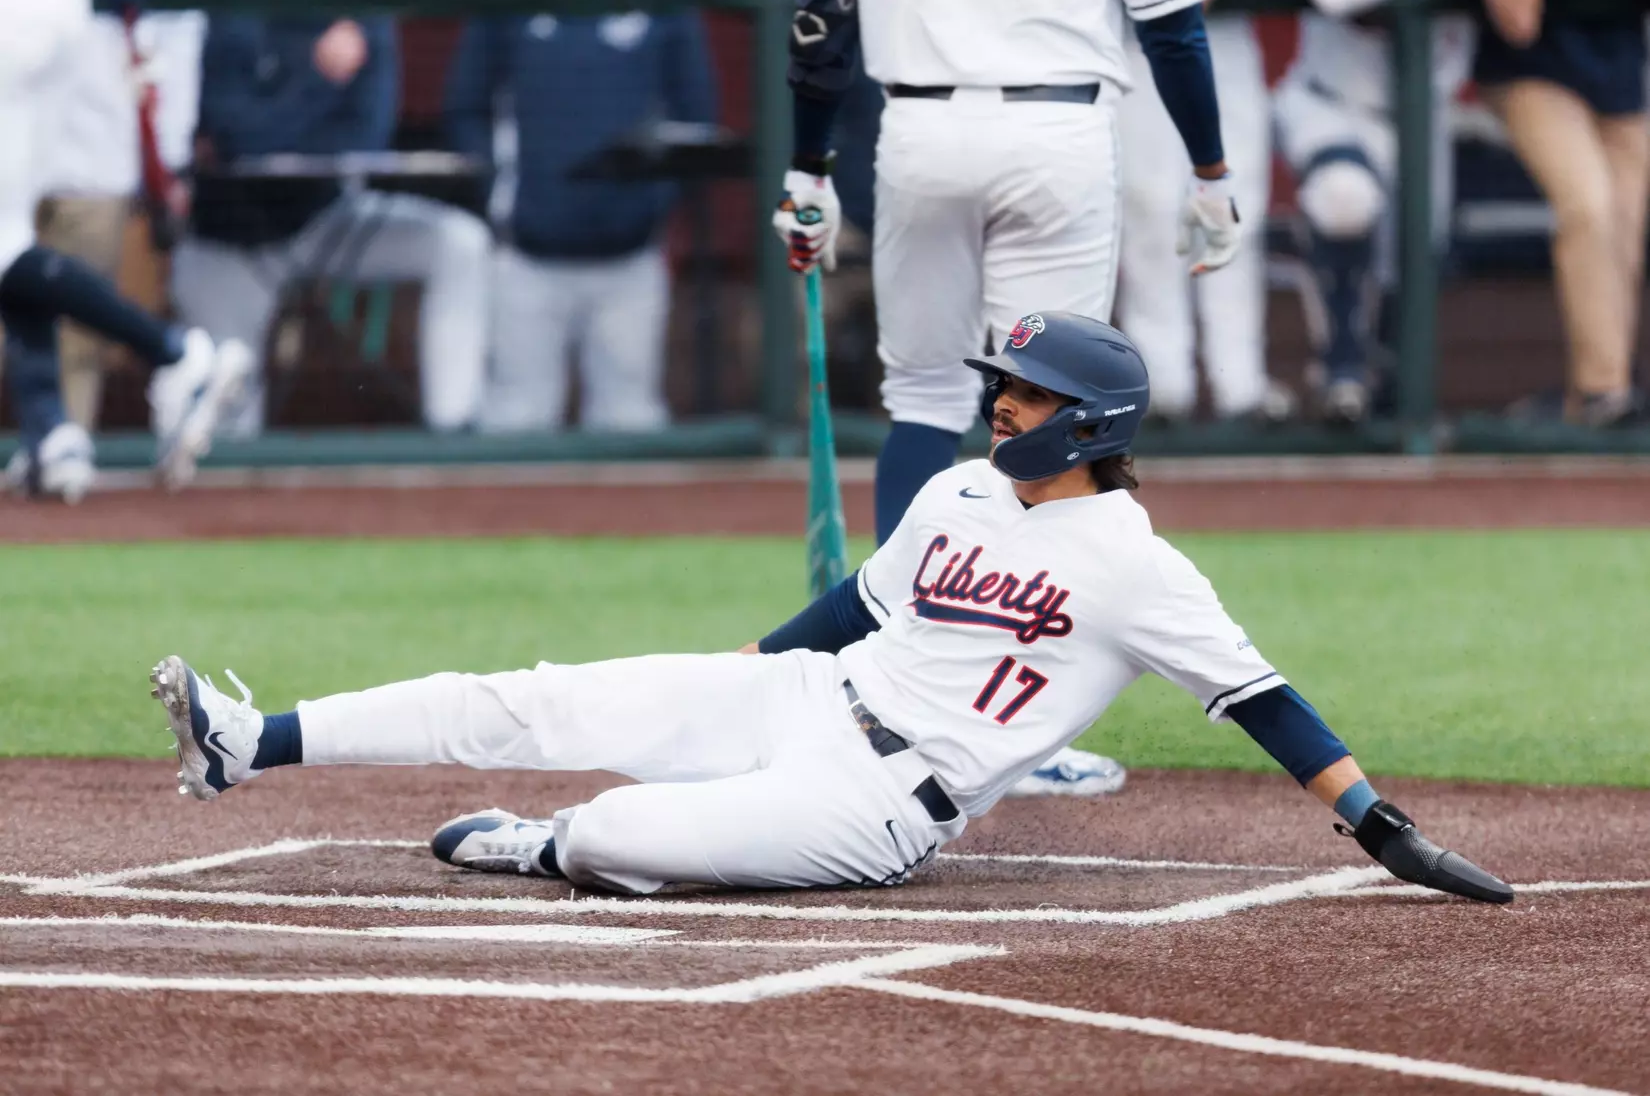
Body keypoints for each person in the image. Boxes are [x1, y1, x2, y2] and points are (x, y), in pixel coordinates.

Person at [150, 311, 1510, 907]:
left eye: (1024, 397)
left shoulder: (1138, 564)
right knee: (538, 693)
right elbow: (851, 606)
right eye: (1000, 387)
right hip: (806, 700)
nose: (998, 406)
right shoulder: (967, 494)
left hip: (884, 808)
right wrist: (736, 670)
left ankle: (547, 846)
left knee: (622, 828)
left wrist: (1374, 821)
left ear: (1087, 424)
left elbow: (1258, 697)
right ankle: (247, 739)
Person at [773, 0, 1244, 547]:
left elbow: (821, 26)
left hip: (921, 131)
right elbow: (1173, 31)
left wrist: (808, 168)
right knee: (1057, 399)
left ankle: (902, 616)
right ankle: (1046, 614)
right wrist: (1210, 172)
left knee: (923, 397)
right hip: (1059, 131)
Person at [173, 15, 490, 437]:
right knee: (224, 430)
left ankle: (452, 429)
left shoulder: (364, 16)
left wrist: (281, 121)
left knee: (459, 243)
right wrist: (319, 76)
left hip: (328, 219)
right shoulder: (234, 16)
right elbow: (237, 135)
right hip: (231, 236)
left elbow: (367, 138)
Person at [2, 0, 250, 503]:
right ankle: (51, 428)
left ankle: (176, 353)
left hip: (24, 27)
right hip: (42, 29)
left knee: (5, 248)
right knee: (11, 244)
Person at [443, 12, 717, 434]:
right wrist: (503, 199)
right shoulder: (500, 12)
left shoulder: (667, 10)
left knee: (629, 423)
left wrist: (650, 205)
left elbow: (694, 119)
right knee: (517, 421)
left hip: (631, 261)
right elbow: (466, 109)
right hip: (525, 259)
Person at [1272, 0, 1475, 422]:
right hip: (1333, 101)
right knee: (1343, 197)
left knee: (1421, 252)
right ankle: (1342, 366)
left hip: (1426, 113)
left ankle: (1387, 385)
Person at [1475, 0, 1648, 428]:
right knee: (1588, 206)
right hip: (1531, 71)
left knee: (1627, 222)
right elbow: (1518, 21)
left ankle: (1609, 390)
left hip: (1620, 73)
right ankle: (1601, 391)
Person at [1117, 3, 1291, 425]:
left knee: (1230, 209)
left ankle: (1241, 384)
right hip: (1135, 34)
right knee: (1149, 209)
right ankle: (1161, 384)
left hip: (1224, 33)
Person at [34, 7, 204, 431]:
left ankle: (63, 447)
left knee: (79, 330)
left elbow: (173, 49)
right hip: (16, 173)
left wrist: (169, 168)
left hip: (96, 173)